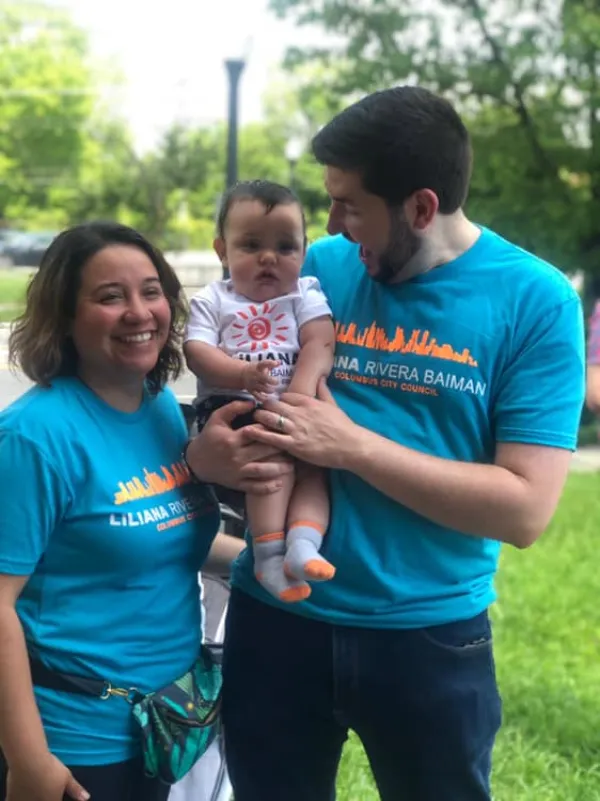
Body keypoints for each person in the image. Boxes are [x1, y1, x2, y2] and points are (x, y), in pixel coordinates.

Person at [216, 87, 586, 801]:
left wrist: (351, 445)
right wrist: (215, 452)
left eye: (351, 205)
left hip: (428, 637)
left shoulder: (536, 301)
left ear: (421, 207)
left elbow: (524, 510)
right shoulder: (312, 267)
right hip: (276, 624)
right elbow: (220, 378)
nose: (329, 225)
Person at [0, 221, 283, 801]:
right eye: (110, 297)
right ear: (65, 316)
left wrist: (274, 563)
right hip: (73, 742)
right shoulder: (34, 437)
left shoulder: (156, 408)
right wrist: (29, 761)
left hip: (163, 725)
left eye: (151, 291)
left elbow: (167, 538)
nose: (139, 312)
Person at [184, 181, 336, 603]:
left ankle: (303, 546)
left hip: (294, 406)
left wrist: (301, 393)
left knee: (315, 473)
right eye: (251, 245)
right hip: (236, 406)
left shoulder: (304, 293)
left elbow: (320, 342)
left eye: (286, 247)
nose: (269, 258)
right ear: (222, 250)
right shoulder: (213, 300)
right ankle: (269, 553)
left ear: (304, 251)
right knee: (271, 471)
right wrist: (241, 374)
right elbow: (197, 352)